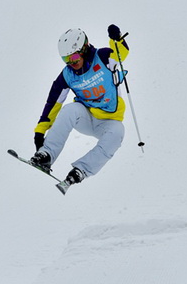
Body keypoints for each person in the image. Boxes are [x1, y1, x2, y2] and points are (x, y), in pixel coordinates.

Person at [30, 24, 129, 189]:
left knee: (119, 132)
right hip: (86, 117)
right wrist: (40, 131)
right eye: (66, 60)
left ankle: (81, 170)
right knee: (69, 109)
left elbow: (121, 54)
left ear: (84, 49)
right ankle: (47, 155)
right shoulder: (67, 75)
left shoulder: (103, 58)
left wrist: (117, 38)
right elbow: (53, 102)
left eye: (74, 57)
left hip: (108, 121)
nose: (72, 63)